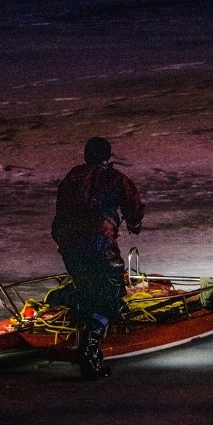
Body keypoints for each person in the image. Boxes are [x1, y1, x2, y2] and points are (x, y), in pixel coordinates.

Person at [51, 137, 144, 379]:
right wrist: (134, 223)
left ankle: (83, 336)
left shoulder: (71, 177)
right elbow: (133, 205)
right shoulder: (113, 178)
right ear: (108, 157)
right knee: (109, 297)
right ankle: (89, 351)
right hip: (98, 244)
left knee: (86, 290)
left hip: (69, 246)